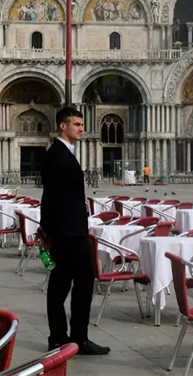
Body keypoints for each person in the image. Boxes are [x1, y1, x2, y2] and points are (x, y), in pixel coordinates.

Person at [40, 107, 110, 355]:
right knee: (81, 282)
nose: (82, 128)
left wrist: (47, 230)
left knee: (61, 284)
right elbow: (52, 198)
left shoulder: (61, 154)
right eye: (77, 124)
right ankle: (76, 338)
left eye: (81, 124)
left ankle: (60, 338)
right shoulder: (58, 156)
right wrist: (50, 232)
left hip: (66, 231)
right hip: (69, 233)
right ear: (63, 126)